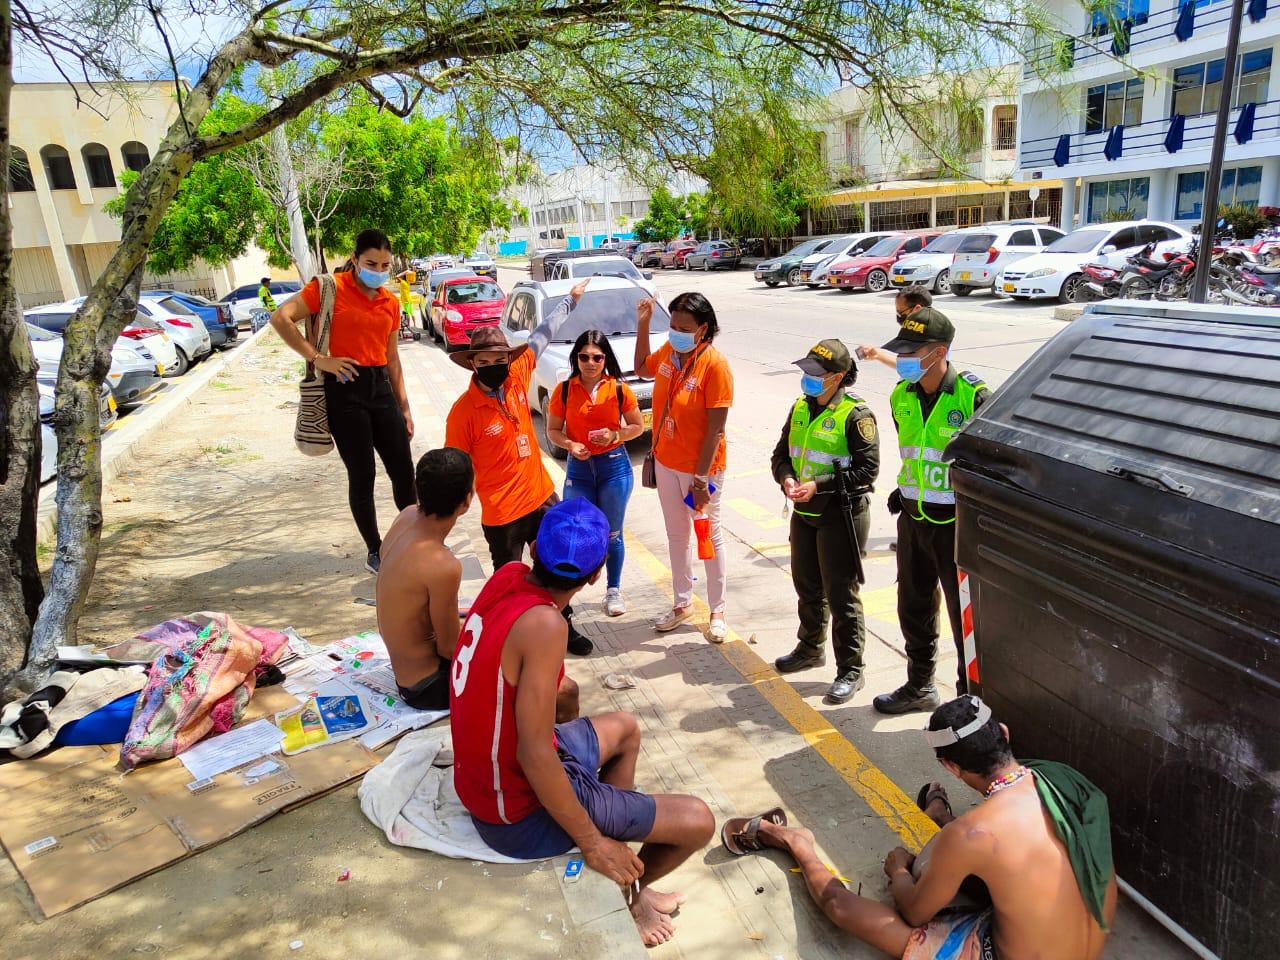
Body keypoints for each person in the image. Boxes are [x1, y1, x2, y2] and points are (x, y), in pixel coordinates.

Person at [450, 499, 715, 946]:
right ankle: (629, 893)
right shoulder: (546, 625)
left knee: (627, 727)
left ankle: (633, 876)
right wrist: (594, 843)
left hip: (481, 776)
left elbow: (539, 692)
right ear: (595, 576)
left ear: (533, 549)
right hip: (511, 813)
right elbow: (533, 753)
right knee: (698, 821)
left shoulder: (507, 576)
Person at [720, 695, 1116, 960]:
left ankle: (793, 841)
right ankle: (939, 815)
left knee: (842, 906)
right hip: (1090, 943)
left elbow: (912, 911)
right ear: (1005, 734)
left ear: (950, 768)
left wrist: (897, 872)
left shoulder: (972, 835)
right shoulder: (1061, 779)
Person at [378, 447, 580, 720]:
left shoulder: (406, 516)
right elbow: (450, 648)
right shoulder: (441, 565)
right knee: (564, 691)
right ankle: (548, 754)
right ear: (466, 501)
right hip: (426, 686)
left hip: (406, 667)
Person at [271, 229, 415, 575]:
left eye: (384, 264)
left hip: (381, 388)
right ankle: (375, 549)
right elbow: (281, 318)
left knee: (403, 470)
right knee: (362, 473)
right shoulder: (327, 289)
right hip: (344, 390)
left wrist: (404, 407)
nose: (378, 270)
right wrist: (319, 358)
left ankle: (414, 542)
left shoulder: (390, 302)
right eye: (370, 263)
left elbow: (392, 358)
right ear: (354, 259)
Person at [444, 325, 593, 656]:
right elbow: (456, 466)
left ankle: (564, 628)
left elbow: (541, 336)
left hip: (541, 497)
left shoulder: (515, 377)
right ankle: (513, 642)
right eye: (485, 361)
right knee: (509, 583)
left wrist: (569, 302)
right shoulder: (463, 413)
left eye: (500, 359)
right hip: (502, 515)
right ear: (473, 364)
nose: (495, 366)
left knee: (557, 568)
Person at [873, 305, 990, 714]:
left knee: (966, 623)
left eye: (911, 352)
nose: (902, 360)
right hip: (913, 519)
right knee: (913, 607)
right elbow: (914, 455)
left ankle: (969, 703)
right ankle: (920, 686)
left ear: (938, 353)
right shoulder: (899, 396)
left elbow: (989, 466)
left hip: (955, 529)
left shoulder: (974, 396)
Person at [769, 339, 879, 704]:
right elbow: (781, 454)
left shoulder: (855, 415)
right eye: (806, 371)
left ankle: (851, 669)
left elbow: (868, 469)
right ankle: (810, 647)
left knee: (841, 594)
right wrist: (786, 478)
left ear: (838, 377)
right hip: (804, 513)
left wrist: (821, 484)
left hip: (841, 515)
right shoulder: (800, 407)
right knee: (807, 585)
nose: (808, 379)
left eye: (816, 374)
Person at [634, 292, 733, 641]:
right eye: (673, 325)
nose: (676, 332)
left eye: (684, 327)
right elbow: (640, 368)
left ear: (703, 329)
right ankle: (682, 603)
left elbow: (715, 428)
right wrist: (644, 324)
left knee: (708, 535)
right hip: (665, 462)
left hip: (700, 471)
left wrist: (700, 478)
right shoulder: (669, 353)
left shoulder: (715, 365)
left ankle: (717, 609)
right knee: (677, 536)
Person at [547, 328, 644, 617]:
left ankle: (613, 591)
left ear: (605, 359)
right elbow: (552, 430)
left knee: (612, 534)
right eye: (584, 356)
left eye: (597, 357)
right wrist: (571, 444)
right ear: (576, 358)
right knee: (574, 528)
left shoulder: (618, 389)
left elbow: (637, 426)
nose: (590, 362)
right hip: (579, 469)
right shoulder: (564, 390)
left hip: (614, 467)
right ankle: (565, 593)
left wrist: (615, 435)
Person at [858, 285, 932, 369]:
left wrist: (878, 355)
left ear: (917, 309)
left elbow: (910, 368)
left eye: (900, 312)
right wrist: (877, 355)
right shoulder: (918, 329)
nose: (898, 316)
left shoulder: (931, 337)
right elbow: (906, 364)